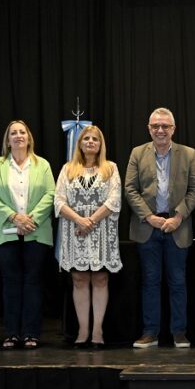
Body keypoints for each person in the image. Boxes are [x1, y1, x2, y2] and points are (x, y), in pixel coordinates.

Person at [125, 108, 195, 348]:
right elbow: (130, 189)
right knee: (150, 281)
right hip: (147, 227)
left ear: (173, 129)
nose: (160, 130)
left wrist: (178, 216)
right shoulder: (137, 153)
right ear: (149, 128)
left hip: (177, 226)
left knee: (178, 281)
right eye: (156, 126)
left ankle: (179, 332)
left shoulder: (188, 154)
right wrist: (148, 216)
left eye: (165, 126)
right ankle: (150, 332)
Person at [0, 120, 55, 349]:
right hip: (6, 232)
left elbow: (50, 194)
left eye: (22, 132)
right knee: (11, 283)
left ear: (29, 137)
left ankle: (31, 333)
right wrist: (15, 217)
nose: (18, 136)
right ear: (7, 139)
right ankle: (12, 333)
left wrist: (30, 218)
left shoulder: (42, 164)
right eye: (13, 133)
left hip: (36, 231)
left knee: (33, 283)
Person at [54, 125, 122, 349]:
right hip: (75, 233)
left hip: (101, 232)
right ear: (80, 143)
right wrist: (79, 220)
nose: (91, 142)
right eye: (87, 138)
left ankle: (97, 330)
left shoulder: (110, 168)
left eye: (95, 139)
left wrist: (90, 221)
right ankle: (83, 329)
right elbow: (59, 202)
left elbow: (114, 200)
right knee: (79, 279)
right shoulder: (68, 169)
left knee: (100, 278)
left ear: (100, 144)